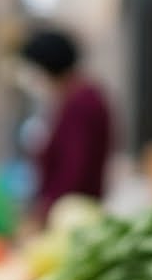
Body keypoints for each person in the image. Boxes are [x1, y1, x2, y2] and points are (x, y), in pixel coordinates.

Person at [17, 29, 114, 222]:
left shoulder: (81, 103)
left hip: (74, 213)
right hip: (71, 210)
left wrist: (45, 210)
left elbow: (74, 167)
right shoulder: (75, 97)